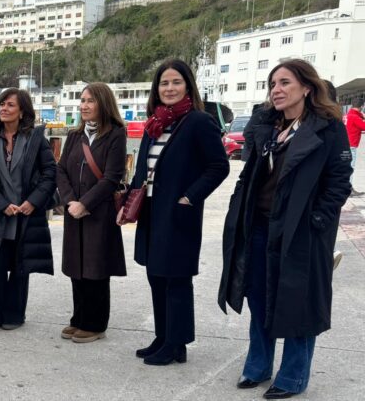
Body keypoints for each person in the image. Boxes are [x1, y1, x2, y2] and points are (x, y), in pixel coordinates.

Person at [218, 59, 352, 399]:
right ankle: (258, 365)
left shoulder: (328, 128)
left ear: (306, 87)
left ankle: (293, 376)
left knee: (298, 304)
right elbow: (251, 173)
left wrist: (317, 221)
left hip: (300, 231)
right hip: (259, 226)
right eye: (272, 84)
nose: (276, 90)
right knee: (259, 298)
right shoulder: (268, 126)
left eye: (284, 83)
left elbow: (339, 182)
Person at [118, 59, 229, 365]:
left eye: (176, 82)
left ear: (188, 86)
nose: (169, 88)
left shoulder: (198, 122)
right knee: (156, 275)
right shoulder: (155, 123)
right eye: (164, 83)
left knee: (176, 278)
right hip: (152, 210)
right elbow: (143, 169)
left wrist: (190, 197)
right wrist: (129, 203)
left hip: (178, 211)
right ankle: (164, 336)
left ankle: (176, 342)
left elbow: (218, 166)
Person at [0, 88, 57, 331]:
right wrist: (1, 204)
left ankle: (15, 314)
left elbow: (50, 173)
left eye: (10, 105)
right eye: (1, 104)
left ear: (22, 111)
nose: (4, 109)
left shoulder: (36, 140)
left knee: (21, 266)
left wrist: (33, 202)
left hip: (26, 214)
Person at [56, 83, 127, 343]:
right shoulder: (75, 135)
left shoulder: (116, 134)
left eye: (90, 101)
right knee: (76, 265)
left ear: (103, 103)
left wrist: (85, 203)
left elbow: (111, 177)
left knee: (96, 267)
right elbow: (61, 169)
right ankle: (79, 318)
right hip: (73, 210)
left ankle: (95, 323)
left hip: (99, 212)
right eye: (82, 100)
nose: (83, 105)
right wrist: (70, 201)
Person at [345, 98, 365, 196]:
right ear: (361, 106)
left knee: (345, 167)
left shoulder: (347, 115)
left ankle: (344, 188)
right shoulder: (355, 117)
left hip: (345, 145)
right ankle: (349, 189)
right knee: (350, 167)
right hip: (351, 146)